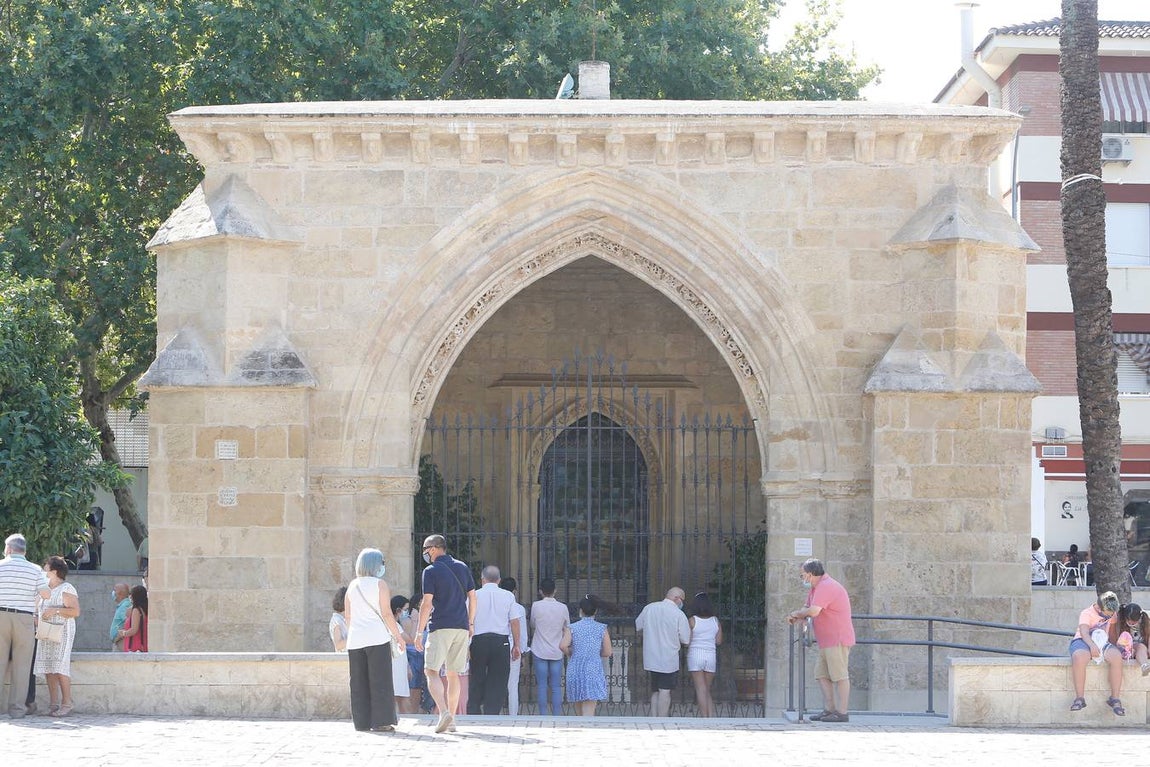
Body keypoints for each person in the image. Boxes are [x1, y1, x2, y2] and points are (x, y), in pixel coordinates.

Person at [414, 534, 476, 734]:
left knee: (431, 671)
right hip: (461, 627)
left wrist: (419, 631)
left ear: (433, 549)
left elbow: (426, 603)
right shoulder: (462, 567)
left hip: (440, 626)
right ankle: (453, 720)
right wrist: (471, 622)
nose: (424, 553)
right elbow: (473, 598)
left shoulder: (430, 571)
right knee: (453, 674)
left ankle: (443, 712)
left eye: (425, 549)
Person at [786, 558, 855, 723]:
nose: (802, 578)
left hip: (836, 638)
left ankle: (842, 712)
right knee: (821, 674)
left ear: (810, 574)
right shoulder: (816, 588)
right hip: (827, 640)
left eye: (803, 575)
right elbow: (807, 608)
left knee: (840, 676)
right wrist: (798, 615)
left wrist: (797, 614)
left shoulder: (826, 586)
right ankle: (829, 710)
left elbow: (814, 611)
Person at [345, 547, 405, 732]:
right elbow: (387, 614)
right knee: (380, 681)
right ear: (375, 565)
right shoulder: (380, 585)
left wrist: (356, 632)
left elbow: (348, 616)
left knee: (358, 683)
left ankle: (361, 722)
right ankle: (382, 721)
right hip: (377, 638)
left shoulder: (352, 586)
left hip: (355, 640)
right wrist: (398, 636)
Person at [1, 533, 52, 719]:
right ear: (24, 551)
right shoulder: (35, 569)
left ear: (9, 549)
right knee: (22, 665)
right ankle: (17, 709)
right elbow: (46, 594)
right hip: (24, 618)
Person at [468, 565, 521, 715]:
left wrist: (466, 644)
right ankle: (492, 712)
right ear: (499, 580)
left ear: (482, 579)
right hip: (500, 641)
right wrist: (516, 645)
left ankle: (474, 710)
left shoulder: (474, 595)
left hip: (478, 641)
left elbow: (468, 620)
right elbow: (515, 621)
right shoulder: (508, 596)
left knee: (477, 676)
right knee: (498, 680)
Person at [33, 555, 81, 716]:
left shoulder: (66, 588)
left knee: (60, 666)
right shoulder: (44, 589)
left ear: (53, 571)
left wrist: (56, 610)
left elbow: (75, 611)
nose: (43, 568)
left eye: (45, 566)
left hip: (62, 632)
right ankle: (53, 704)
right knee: (48, 667)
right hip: (46, 631)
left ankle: (67, 702)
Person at [635, 586, 690, 717]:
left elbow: (638, 625)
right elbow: (685, 639)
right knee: (665, 690)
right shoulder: (678, 614)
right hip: (668, 658)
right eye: (682, 600)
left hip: (651, 656)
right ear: (677, 599)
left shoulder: (649, 608)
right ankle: (662, 719)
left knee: (655, 690)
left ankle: (654, 717)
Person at [1068, 590, 1124, 715]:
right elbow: (1083, 632)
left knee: (1116, 657)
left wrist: (1116, 647)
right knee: (1079, 657)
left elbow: (1112, 633)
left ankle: (1115, 699)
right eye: (1106, 615)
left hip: (1102, 641)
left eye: (1111, 615)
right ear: (1099, 608)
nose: (1108, 617)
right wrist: (1092, 646)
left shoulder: (1112, 613)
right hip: (1084, 640)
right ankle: (1080, 698)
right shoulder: (1086, 613)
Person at [564, 595, 612, 716]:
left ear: (580, 610)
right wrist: (595, 652)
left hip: (576, 668)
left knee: (579, 708)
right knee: (589, 709)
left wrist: (571, 652)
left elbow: (562, 645)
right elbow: (608, 652)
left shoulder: (572, 627)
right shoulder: (601, 628)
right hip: (592, 669)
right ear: (595, 611)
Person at [529, 577, 570, 716]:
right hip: (557, 650)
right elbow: (567, 627)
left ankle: (543, 714)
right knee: (556, 686)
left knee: (541, 685)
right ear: (555, 591)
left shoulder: (536, 606)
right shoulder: (563, 607)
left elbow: (532, 624)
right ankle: (557, 715)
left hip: (539, 648)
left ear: (541, 591)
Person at [687, 591, 723, 717]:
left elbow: (688, 641)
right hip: (710, 655)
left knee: (700, 688)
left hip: (696, 654)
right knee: (707, 689)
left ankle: (704, 717)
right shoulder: (715, 621)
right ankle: (710, 716)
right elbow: (718, 641)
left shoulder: (692, 620)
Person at [500, 577, 528, 716]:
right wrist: (522, 650)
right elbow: (522, 634)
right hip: (514, 648)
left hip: (498, 647)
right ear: (515, 591)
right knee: (513, 686)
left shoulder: (498, 606)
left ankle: (495, 713)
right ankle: (513, 716)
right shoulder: (519, 609)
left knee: (496, 684)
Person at [389, 595, 413, 714]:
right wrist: (413, 620)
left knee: (400, 696)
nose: (406, 612)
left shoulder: (396, 624)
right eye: (405, 609)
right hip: (395, 664)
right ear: (398, 610)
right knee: (400, 697)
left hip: (400, 663)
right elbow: (409, 639)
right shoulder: (395, 625)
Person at [1112, 602, 1150, 676]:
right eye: (1129, 621)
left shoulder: (1146, 618)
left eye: (1134, 622)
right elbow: (1114, 637)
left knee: (1141, 647)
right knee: (1139, 647)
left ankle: (1145, 665)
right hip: (1125, 646)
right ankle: (1144, 664)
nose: (1131, 623)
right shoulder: (1119, 620)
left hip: (1142, 647)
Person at [118, 585, 148, 652]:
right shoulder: (144, 609)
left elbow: (134, 629)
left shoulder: (136, 610)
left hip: (134, 645)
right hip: (140, 643)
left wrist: (123, 633)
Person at [109, 583, 132, 650]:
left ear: (120, 593)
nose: (113, 592)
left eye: (115, 590)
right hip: (118, 641)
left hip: (120, 642)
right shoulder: (122, 605)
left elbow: (129, 622)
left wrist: (119, 636)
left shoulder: (125, 606)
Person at [329, 586, 349, 652]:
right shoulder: (336, 620)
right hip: (343, 659)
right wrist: (356, 638)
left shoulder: (348, 618)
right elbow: (338, 645)